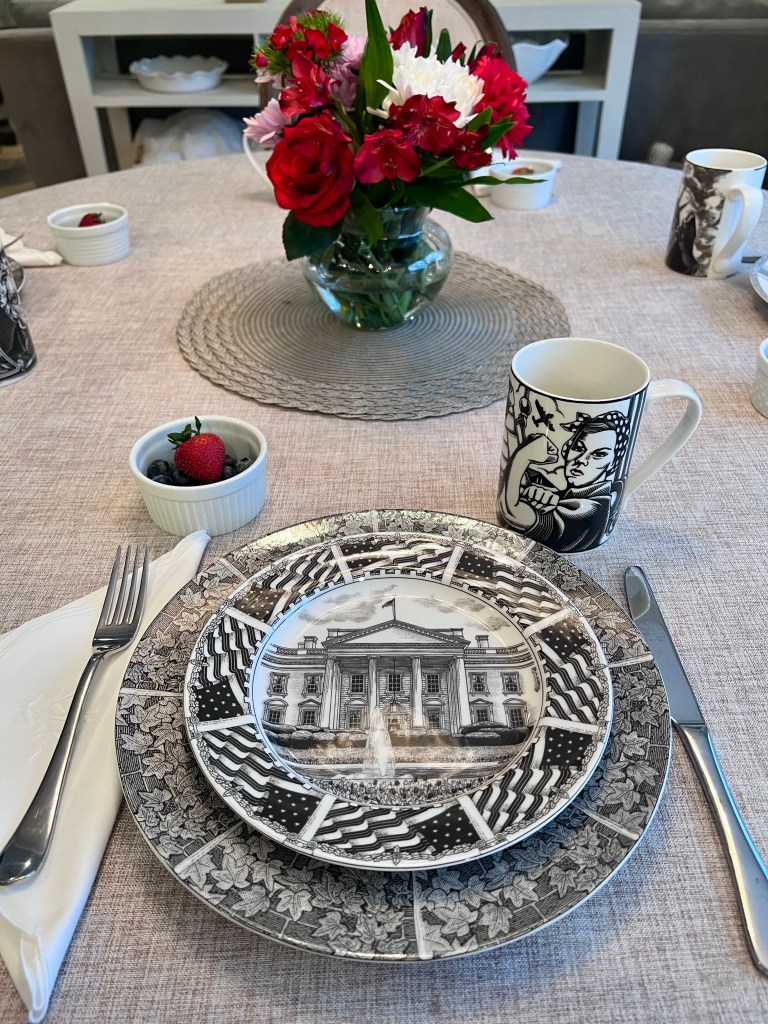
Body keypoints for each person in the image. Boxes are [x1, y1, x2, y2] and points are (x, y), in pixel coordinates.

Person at [499, 410, 630, 552]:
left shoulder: (590, 509)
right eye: (578, 448)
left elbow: (511, 511)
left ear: (613, 463)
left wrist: (523, 456)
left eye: (599, 454)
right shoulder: (573, 495)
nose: (581, 460)